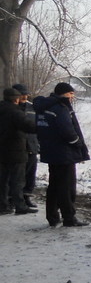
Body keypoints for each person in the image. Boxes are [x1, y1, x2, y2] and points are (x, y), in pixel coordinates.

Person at [34, 82, 90, 227]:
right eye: (71, 93)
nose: (72, 97)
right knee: (67, 187)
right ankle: (69, 218)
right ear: (63, 94)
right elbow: (67, 131)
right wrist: (77, 143)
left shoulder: (43, 107)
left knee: (54, 185)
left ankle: (52, 217)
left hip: (51, 152)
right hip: (64, 154)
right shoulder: (60, 108)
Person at [0, 87, 38, 215]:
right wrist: (42, 127)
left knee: (3, 180)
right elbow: (28, 126)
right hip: (16, 151)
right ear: (16, 99)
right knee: (17, 180)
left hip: (2, 151)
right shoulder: (15, 112)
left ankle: (3, 206)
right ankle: (20, 206)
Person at [12, 84, 39, 209]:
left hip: (32, 145)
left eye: (26, 94)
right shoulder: (11, 108)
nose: (25, 96)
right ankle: (13, 199)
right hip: (16, 147)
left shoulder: (32, 108)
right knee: (16, 175)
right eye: (22, 94)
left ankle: (26, 196)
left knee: (30, 174)